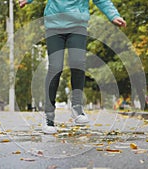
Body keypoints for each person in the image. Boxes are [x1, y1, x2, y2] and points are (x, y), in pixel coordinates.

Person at [19, 0, 126, 134]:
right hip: (54, 25)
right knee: (55, 67)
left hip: (77, 25)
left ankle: (77, 108)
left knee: (78, 63)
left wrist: (113, 15)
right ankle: (48, 117)